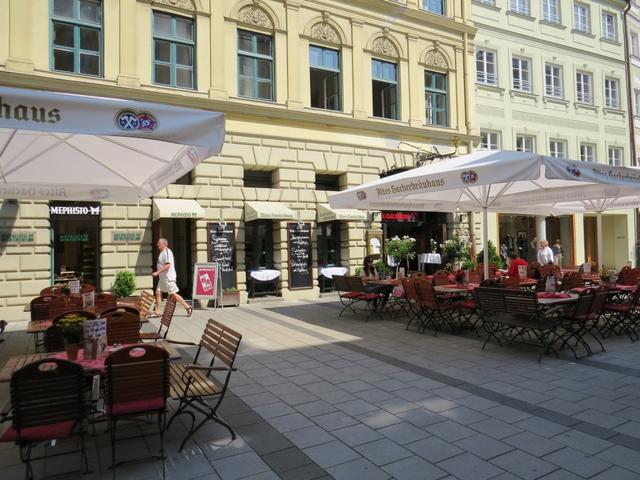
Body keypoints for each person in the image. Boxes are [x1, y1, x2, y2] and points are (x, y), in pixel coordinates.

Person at [151, 238, 192, 317]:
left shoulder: (167, 252)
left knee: (173, 294)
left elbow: (168, 265)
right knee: (158, 293)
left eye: (159, 243)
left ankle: (187, 307)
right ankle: (157, 312)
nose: (157, 244)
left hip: (168, 277)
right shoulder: (162, 252)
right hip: (162, 278)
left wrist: (157, 272)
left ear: (164, 244)